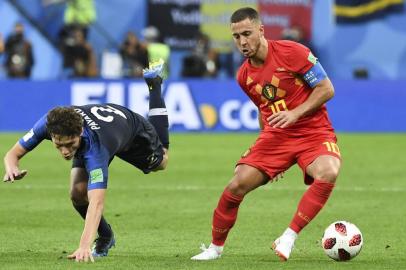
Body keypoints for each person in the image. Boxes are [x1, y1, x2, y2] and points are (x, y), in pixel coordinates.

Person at [191, 7, 341, 261]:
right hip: (277, 137)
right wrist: (270, 155)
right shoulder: (244, 76)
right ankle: (215, 248)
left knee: (329, 171)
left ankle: (288, 237)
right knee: (236, 184)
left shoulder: (294, 52)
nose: (242, 42)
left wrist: (296, 113)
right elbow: (264, 109)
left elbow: (326, 89)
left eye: (247, 34)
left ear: (261, 30)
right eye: (236, 37)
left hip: (312, 131)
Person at [3, 59, 169, 263]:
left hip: (133, 133)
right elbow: (12, 154)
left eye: (70, 144)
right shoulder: (49, 123)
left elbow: (97, 203)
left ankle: (155, 85)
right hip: (106, 132)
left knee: (162, 162)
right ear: (51, 134)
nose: (64, 151)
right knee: (77, 193)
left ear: (79, 132)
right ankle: (106, 236)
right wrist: (11, 167)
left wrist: (84, 246)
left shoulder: (95, 150)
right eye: (58, 145)